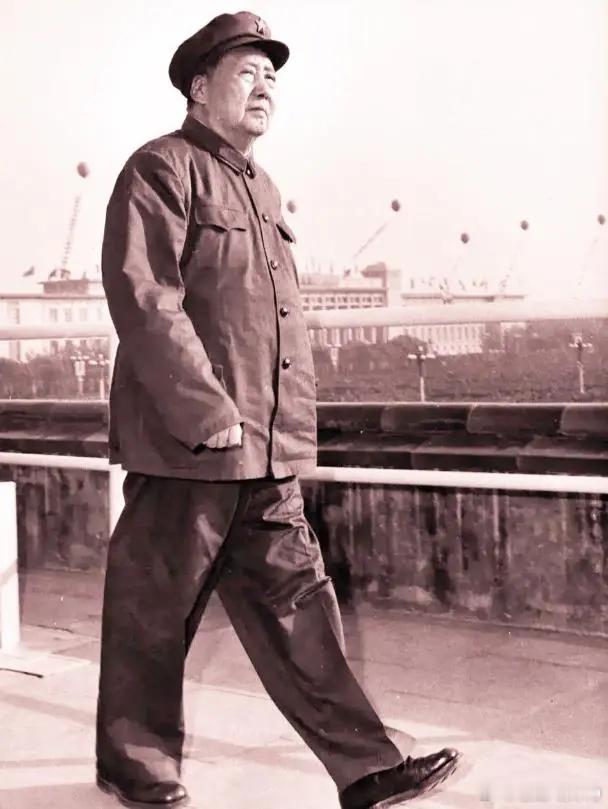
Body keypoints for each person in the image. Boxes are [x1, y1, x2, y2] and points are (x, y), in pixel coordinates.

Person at [96, 11, 462, 808]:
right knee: (153, 613)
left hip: (264, 449)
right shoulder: (161, 168)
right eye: (247, 72)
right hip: (190, 445)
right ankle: (136, 765)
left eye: (272, 77)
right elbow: (145, 298)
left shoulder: (261, 186)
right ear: (200, 88)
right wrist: (206, 411)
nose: (265, 88)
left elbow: (271, 323)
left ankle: (365, 767)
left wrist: (288, 434)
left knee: (302, 607)